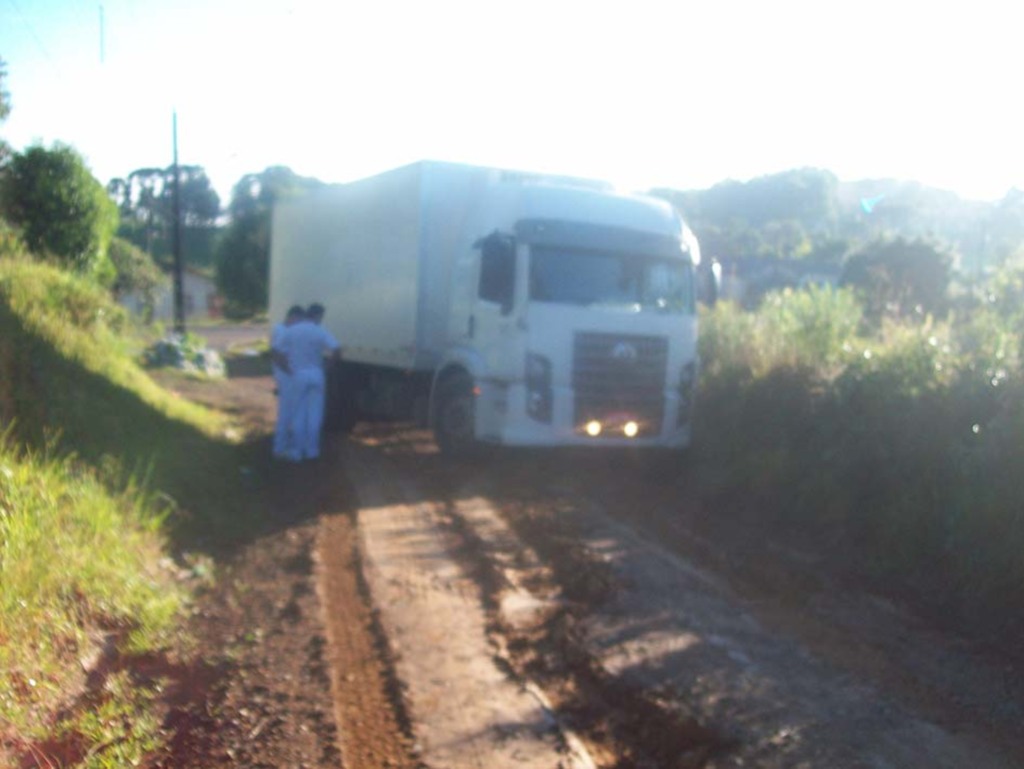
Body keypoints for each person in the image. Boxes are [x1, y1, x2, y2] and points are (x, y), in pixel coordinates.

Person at [277, 302, 341, 461]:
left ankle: (296, 452)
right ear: (317, 316)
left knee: (299, 414)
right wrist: (327, 368)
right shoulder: (320, 331)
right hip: (317, 374)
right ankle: (312, 451)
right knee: (315, 414)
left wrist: (286, 368)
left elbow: (276, 351)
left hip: (298, 374)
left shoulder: (292, 331)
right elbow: (337, 350)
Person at [270, 305, 305, 460]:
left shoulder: (284, 330)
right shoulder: (281, 331)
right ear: (292, 316)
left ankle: (287, 446)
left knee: (290, 412)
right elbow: (277, 354)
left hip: (288, 375)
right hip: (286, 376)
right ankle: (280, 448)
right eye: (298, 320)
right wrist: (290, 371)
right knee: (286, 412)